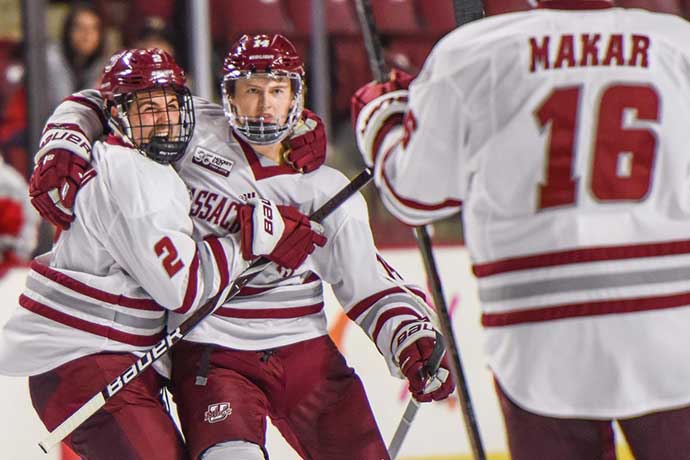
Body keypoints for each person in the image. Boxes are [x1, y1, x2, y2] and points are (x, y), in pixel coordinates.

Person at [28, 34, 455, 460]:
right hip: (212, 352)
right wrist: (65, 137)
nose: (264, 105)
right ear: (228, 94)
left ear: (295, 97)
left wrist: (408, 336)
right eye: (251, 90)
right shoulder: (189, 132)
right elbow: (108, 99)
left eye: (276, 91)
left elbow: (367, 281)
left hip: (304, 352)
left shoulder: (325, 187)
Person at [352, 1, 690, 459]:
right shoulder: (677, 44)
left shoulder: (473, 52)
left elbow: (415, 197)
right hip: (671, 328)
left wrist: (383, 118)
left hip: (539, 335)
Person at [0, 47, 325, 460]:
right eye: (149, 108)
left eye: (172, 105)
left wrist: (294, 123)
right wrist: (252, 241)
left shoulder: (139, 158)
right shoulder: (132, 175)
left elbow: (227, 117)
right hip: (85, 361)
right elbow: (184, 291)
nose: (165, 120)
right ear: (118, 115)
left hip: (106, 359)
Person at [45, 2, 107, 110]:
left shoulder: (100, 64)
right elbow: (64, 110)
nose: (87, 35)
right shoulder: (52, 58)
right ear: (68, 31)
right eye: (80, 27)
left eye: (93, 28)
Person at [0, 155, 39, 278]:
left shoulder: (11, 183)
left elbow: (29, 222)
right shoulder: (13, 181)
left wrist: (19, 251)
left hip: (10, 264)